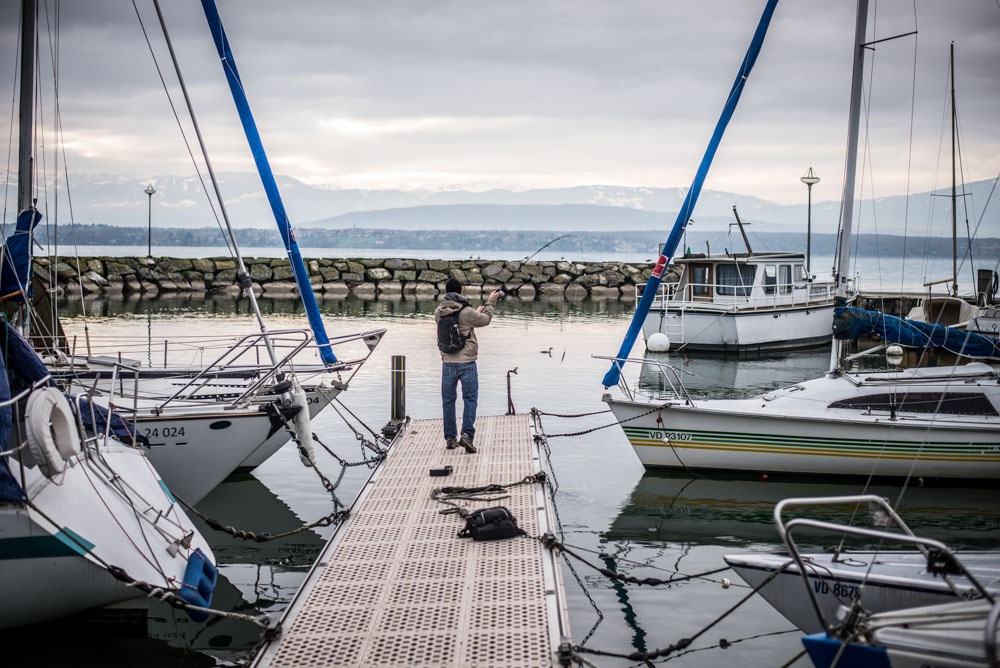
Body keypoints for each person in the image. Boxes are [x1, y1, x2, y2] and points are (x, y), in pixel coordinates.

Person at [434, 278, 502, 454]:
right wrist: (491, 301)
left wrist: (474, 313)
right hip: (467, 363)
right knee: (470, 399)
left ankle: (450, 438)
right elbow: (485, 319)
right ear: (460, 291)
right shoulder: (466, 311)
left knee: (448, 401)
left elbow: (459, 324)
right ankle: (467, 436)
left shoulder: (439, 311)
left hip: (448, 363)